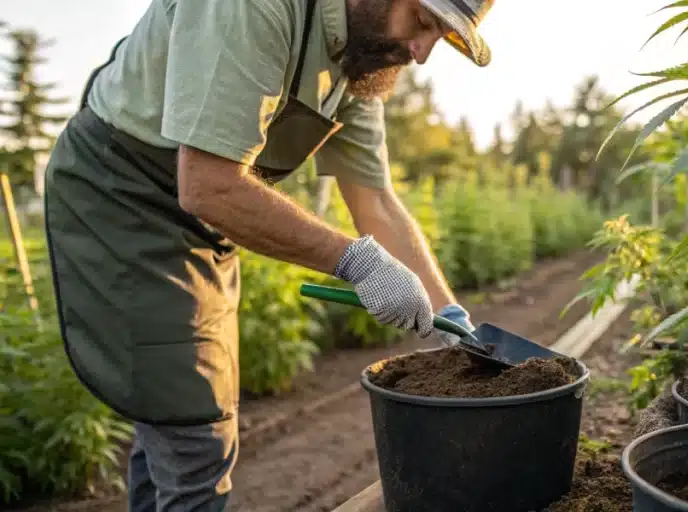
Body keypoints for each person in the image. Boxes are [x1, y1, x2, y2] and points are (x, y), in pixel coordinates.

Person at [41, 0, 494, 509]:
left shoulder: (360, 61)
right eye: (423, 22)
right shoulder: (256, 7)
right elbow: (209, 185)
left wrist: (450, 317)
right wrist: (359, 262)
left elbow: (376, 201)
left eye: (441, 38)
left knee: (172, 410)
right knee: (196, 434)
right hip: (122, 198)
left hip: (202, 222)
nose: (422, 53)